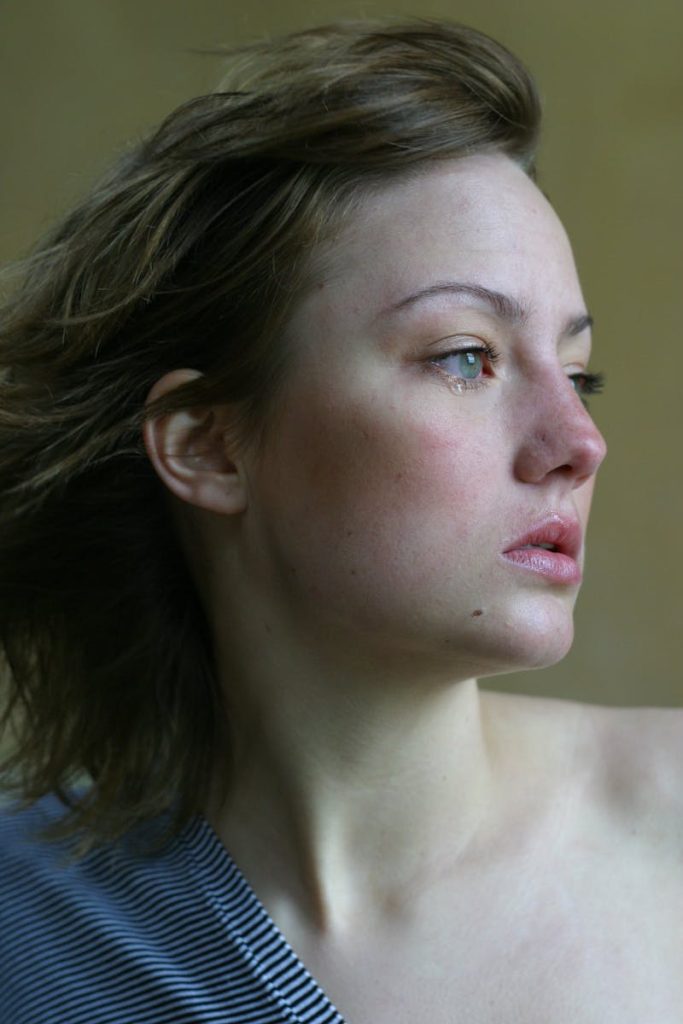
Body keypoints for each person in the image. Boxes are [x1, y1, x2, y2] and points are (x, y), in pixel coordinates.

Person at [1, 16, 681, 1024]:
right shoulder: (28, 934)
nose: (577, 441)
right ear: (208, 446)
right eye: (465, 356)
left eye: (578, 373)